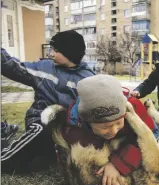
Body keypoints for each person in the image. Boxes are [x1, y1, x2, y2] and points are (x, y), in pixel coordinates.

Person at [1, 30, 95, 173]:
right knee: (40, 133)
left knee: (41, 162)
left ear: (70, 53)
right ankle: (6, 160)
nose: (50, 53)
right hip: (40, 121)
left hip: (67, 130)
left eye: (56, 50)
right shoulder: (44, 68)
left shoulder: (89, 79)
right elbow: (12, 67)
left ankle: (46, 152)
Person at [58, 75, 159, 185]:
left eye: (118, 122)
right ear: (88, 121)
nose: (113, 130)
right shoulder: (76, 125)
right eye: (105, 126)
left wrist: (118, 165)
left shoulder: (133, 106)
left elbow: (149, 138)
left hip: (139, 128)